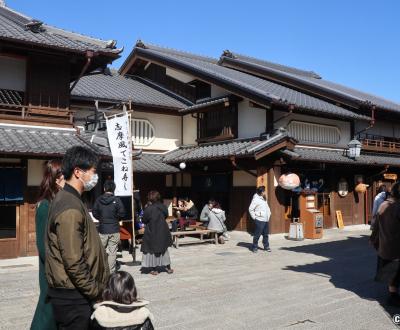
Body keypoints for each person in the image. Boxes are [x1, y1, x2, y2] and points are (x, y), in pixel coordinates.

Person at [45, 146, 109, 330]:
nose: (95, 176)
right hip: (74, 296)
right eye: (93, 171)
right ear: (78, 172)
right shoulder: (69, 206)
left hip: (75, 293)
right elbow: (73, 261)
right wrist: (96, 290)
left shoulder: (71, 199)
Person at [30, 160, 65, 330]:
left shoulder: (58, 202)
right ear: (56, 179)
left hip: (59, 268)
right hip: (52, 269)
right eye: (65, 176)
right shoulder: (45, 206)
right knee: (48, 307)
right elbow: (43, 247)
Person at [370, 182, 400, 307]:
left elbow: (375, 226)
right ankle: (393, 297)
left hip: (385, 244)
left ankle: (392, 294)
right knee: (396, 271)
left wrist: (373, 240)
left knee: (391, 271)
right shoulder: (398, 207)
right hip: (396, 246)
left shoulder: (383, 204)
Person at [93, 180, 126, 273]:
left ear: (104, 188)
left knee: (100, 250)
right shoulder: (117, 200)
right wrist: (116, 219)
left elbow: (95, 212)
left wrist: (101, 219)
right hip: (114, 228)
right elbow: (122, 213)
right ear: (114, 189)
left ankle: (101, 269)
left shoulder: (99, 200)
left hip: (103, 228)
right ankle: (111, 272)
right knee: (112, 252)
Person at [141, 191, 173, 275]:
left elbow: (144, 220)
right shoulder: (163, 207)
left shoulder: (149, 208)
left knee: (152, 250)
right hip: (162, 229)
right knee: (164, 249)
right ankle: (168, 268)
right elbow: (166, 215)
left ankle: (155, 269)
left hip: (152, 230)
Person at [248, 186, 271, 253]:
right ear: (261, 192)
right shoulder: (255, 199)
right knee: (257, 234)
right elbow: (250, 209)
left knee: (266, 234)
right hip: (259, 219)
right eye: (264, 191)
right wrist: (254, 217)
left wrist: (269, 213)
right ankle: (255, 247)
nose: (265, 192)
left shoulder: (264, 198)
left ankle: (266, 246)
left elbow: (267, 207)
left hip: (266, 219)